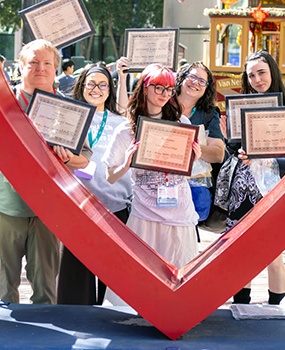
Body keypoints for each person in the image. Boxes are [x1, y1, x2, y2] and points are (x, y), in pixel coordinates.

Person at [0, 39, 91, 306]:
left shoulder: (68, 109)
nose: (40, 68)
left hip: (49, 207)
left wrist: (71, 159)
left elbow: (85, 158)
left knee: (46, 288)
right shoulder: (1, 101)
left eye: (47, 63)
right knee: (3, 289)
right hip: (7, 205)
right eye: (33, 62)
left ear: (56, 68)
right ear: (20, 67)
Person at [102, 64, 201, 305]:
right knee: (137, 280)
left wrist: (194, 158)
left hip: (179, 213)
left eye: (169, 89)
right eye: (159, 87)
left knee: (179, 280)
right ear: (145, 88)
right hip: (145, 214)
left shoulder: (182, 122)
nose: (165, 94)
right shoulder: (126, 129)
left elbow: (187, 172)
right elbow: (110, 176)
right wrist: (126, 163)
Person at [220, 51, 285, 305]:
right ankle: (240, 307)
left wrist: (269, 160)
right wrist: (228, 138)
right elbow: (238, 151)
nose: (257, 79)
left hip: (272, 190)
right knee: (240, 252)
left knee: (271, 254)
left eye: (261, 72)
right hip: (242, 189)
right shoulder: (242, 106)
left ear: (273, 71)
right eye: (251, 75)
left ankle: (276, 311)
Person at [56, 63, 132, 305]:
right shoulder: (70, 117)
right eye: (91, 83)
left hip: (116, 205)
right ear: (82, 86)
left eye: (103, 85)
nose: (97, 89)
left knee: (114, 279)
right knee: (77, 278)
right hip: (79, 205)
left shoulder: (120, 121)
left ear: (109, 90)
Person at [174, 62, 227, 221]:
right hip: (162, 179)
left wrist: (189, 145)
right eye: (192, 77)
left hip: (195, 183)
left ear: (206, 88)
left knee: (197, 214)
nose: (196, 82)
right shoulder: (164, 104)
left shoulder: (209, 113)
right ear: (182, 78)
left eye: (202, 81)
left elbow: (218, 154)